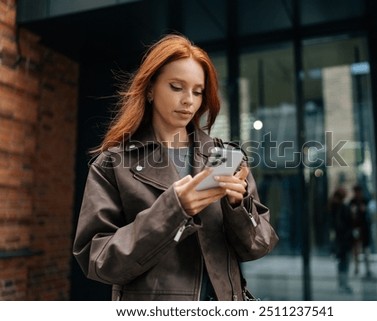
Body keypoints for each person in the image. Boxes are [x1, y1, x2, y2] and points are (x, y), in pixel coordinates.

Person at [72, 34, 279, 301]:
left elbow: (258, 246)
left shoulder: (227, 157)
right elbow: (97, 260)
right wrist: (174, 208)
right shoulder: (113, 163)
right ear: (150, 89)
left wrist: (237, 205)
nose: (188, 101)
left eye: (197, 91)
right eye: (176, 87)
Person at [329, 187, 353, 293]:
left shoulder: (335, 208)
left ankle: (342, 284)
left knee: (342, 262)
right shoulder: (341, 208)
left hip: (340, 239)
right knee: (344, 262)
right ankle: (343, 284)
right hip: (343, 239)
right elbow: (348, 223)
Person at [349, 185, 372, 277]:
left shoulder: (365, 201)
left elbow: (368, 213)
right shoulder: (352, 202)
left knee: (366, 248)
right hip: (356, 227)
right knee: (356, 248)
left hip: (364, 228)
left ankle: (367, 269)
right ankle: (357, 268)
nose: (357, 194)